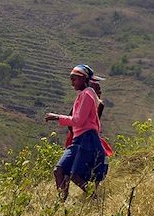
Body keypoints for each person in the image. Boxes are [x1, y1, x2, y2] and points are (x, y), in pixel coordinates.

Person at [45, 65, 107, 201]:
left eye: (74, 79)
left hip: (86, 138)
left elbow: (78, 120)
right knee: (59, 171)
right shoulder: (85, 95)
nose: (72, 82)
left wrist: (57, 117)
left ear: (83, 79)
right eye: (71, 79)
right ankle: (61, 203)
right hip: (79, 139)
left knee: (74, 175)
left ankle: (94, 198)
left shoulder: (87, 95)